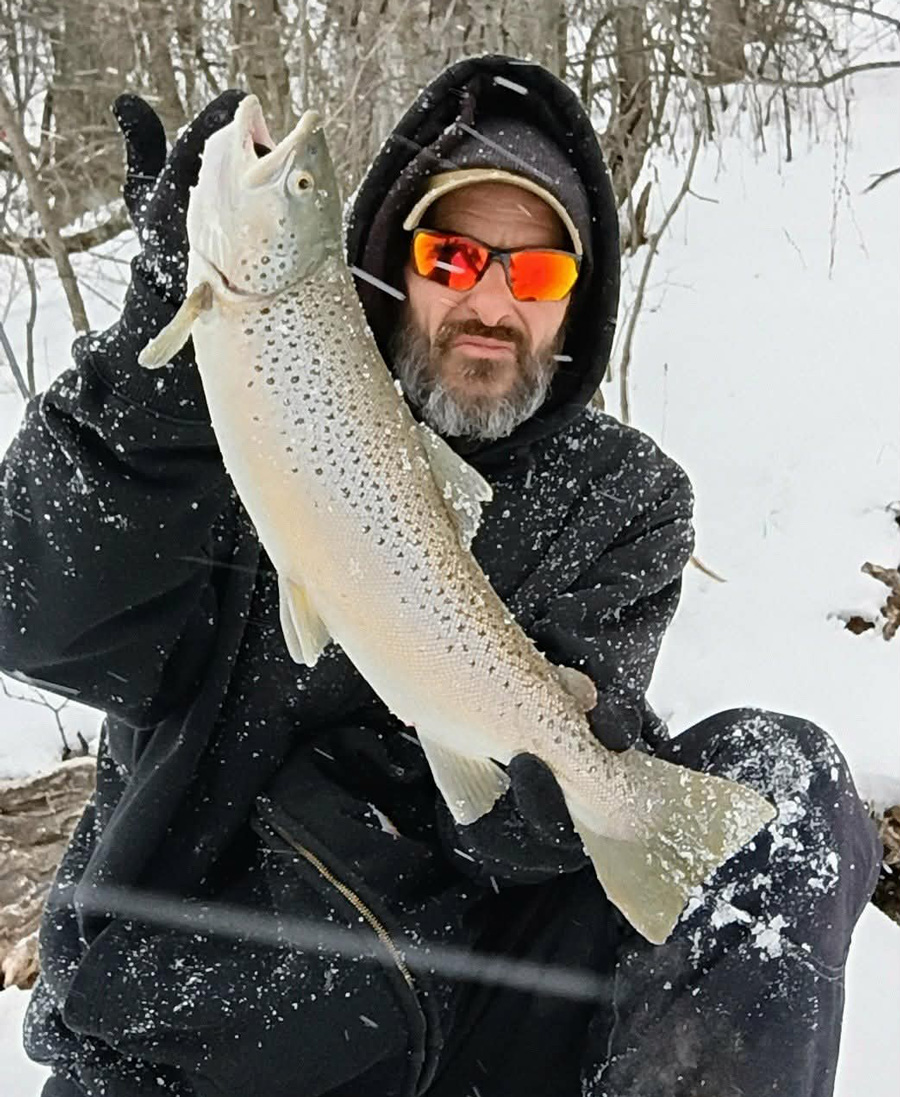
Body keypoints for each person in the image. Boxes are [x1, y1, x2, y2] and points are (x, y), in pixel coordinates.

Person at [0, 55, 879, 1097]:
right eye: (454, 256)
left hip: (472, 1020)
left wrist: (556, 787)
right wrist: (150, 361)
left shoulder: (623, 497)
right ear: (387, 260)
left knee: (779, 785)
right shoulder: (222, 415)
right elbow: (34, 615)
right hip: (201, 1031)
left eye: (538, 272)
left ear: (578, 301)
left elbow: (520, 850)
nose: (493, 303)